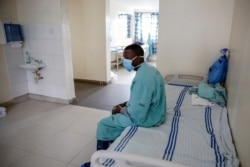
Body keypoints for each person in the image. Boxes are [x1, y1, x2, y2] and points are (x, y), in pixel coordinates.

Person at [82, 44, 166, 167]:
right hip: (157, 112)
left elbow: (137, 114)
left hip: (148, 119)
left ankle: (101, 161)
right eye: (124, 58)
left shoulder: (142, 79)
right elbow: (145, 98)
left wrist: (120, 109)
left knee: (103, 124)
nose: (124, 61)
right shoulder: (150, 69)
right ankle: (114, 143)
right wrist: (127, 103)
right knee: (117, 112)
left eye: (127, 59)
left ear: (137, 58)